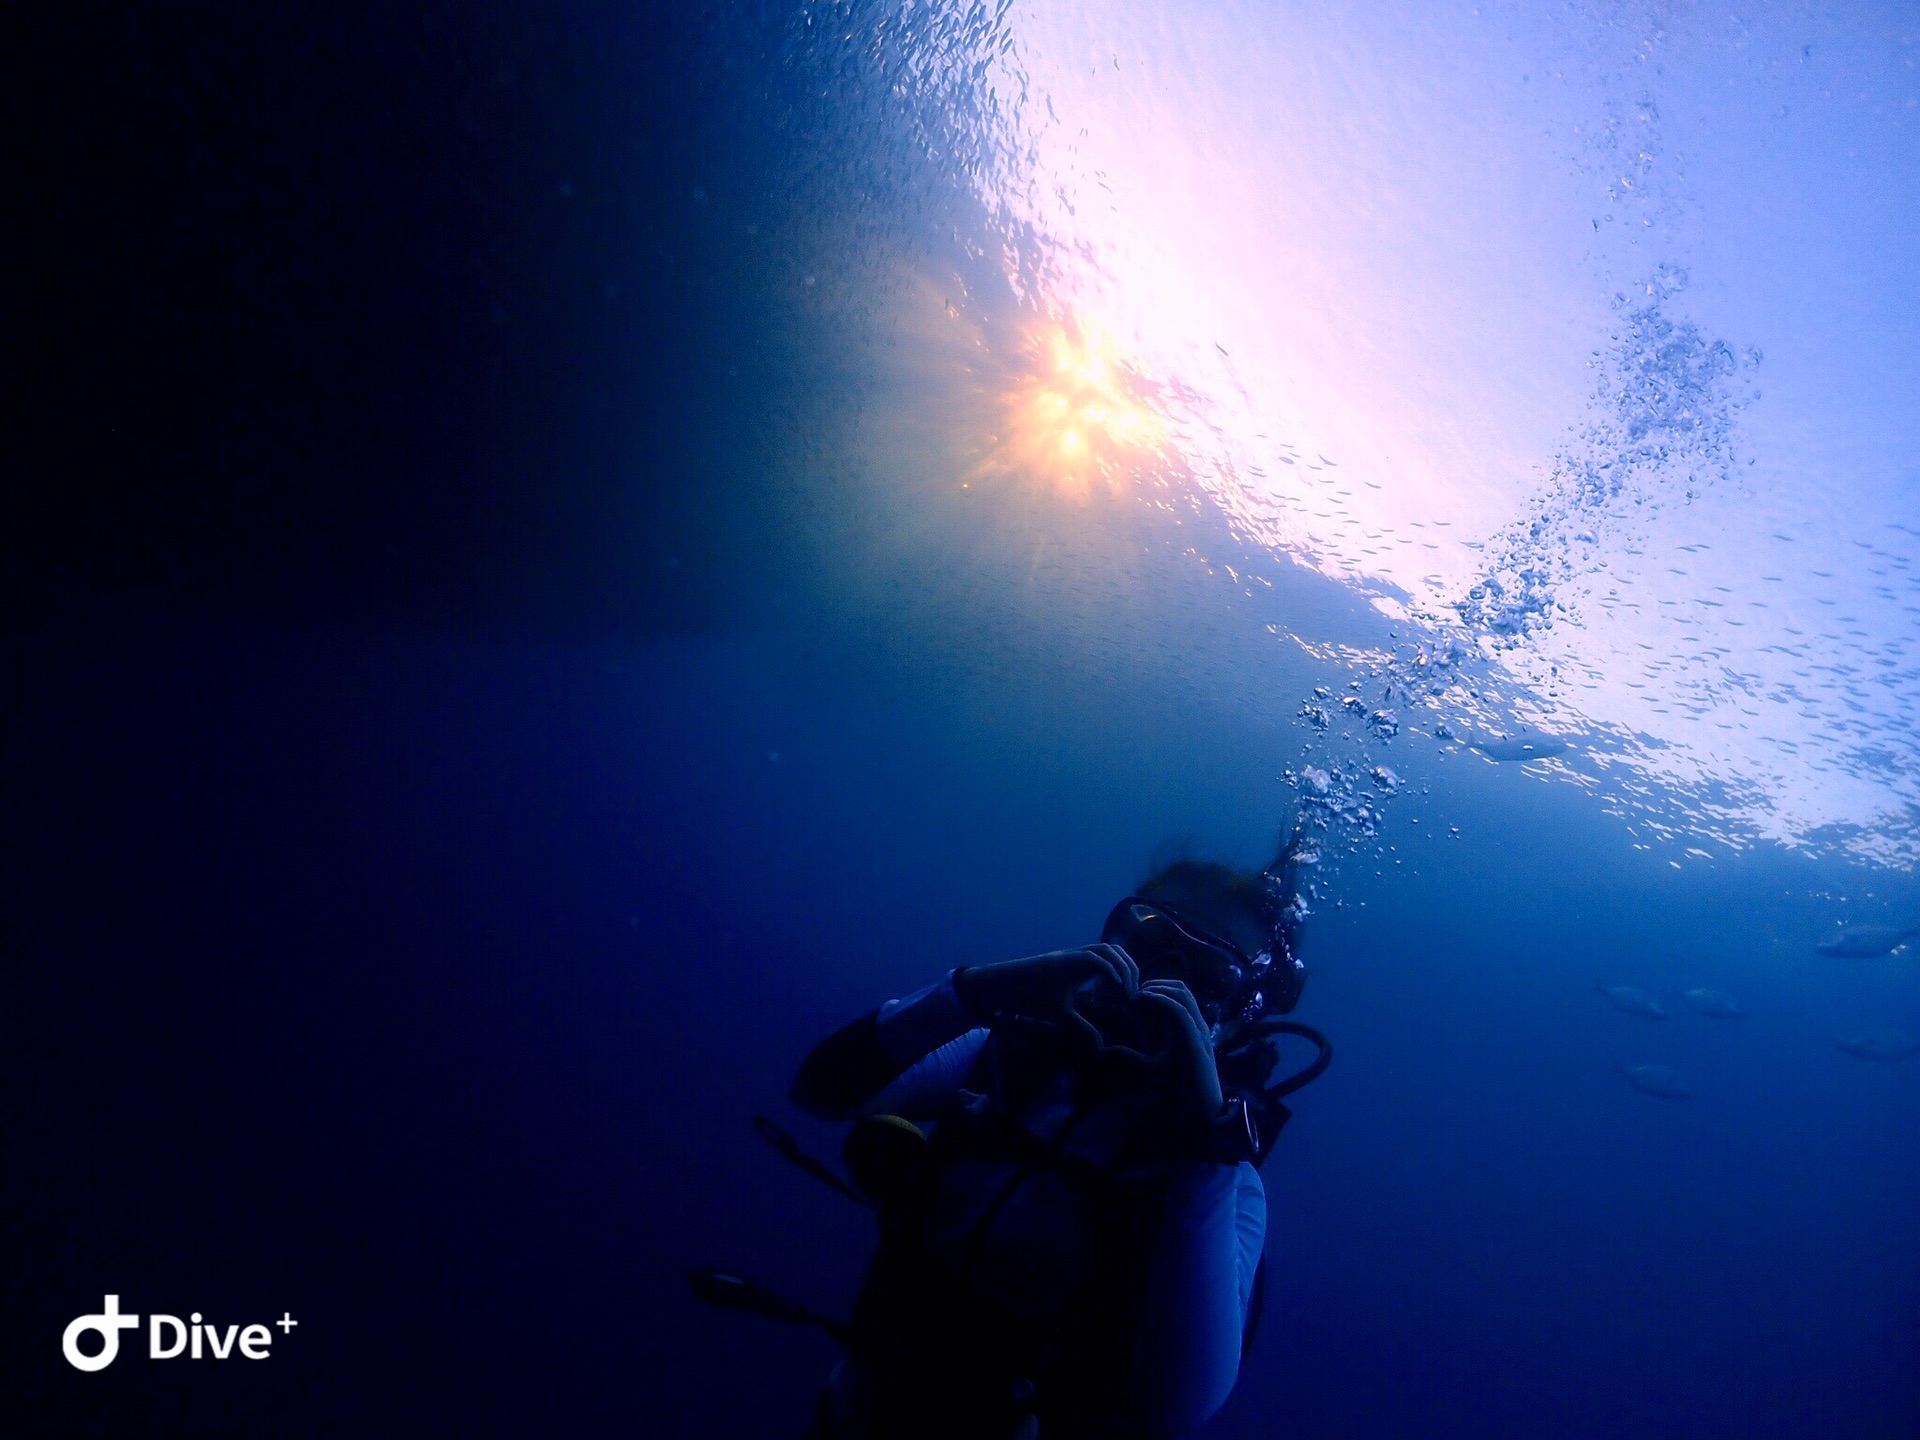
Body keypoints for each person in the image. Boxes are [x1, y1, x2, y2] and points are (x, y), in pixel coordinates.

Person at [775, 835, 1328, 1440]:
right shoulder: (1008, 1059)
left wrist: (1208, 1147)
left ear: (1239, 1020)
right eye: (1149, 943)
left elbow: (1179, 1405)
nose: (1160, 985)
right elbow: (821, 1092)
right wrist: (970, 995)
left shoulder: (1228, 1188)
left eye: (1211, 977)